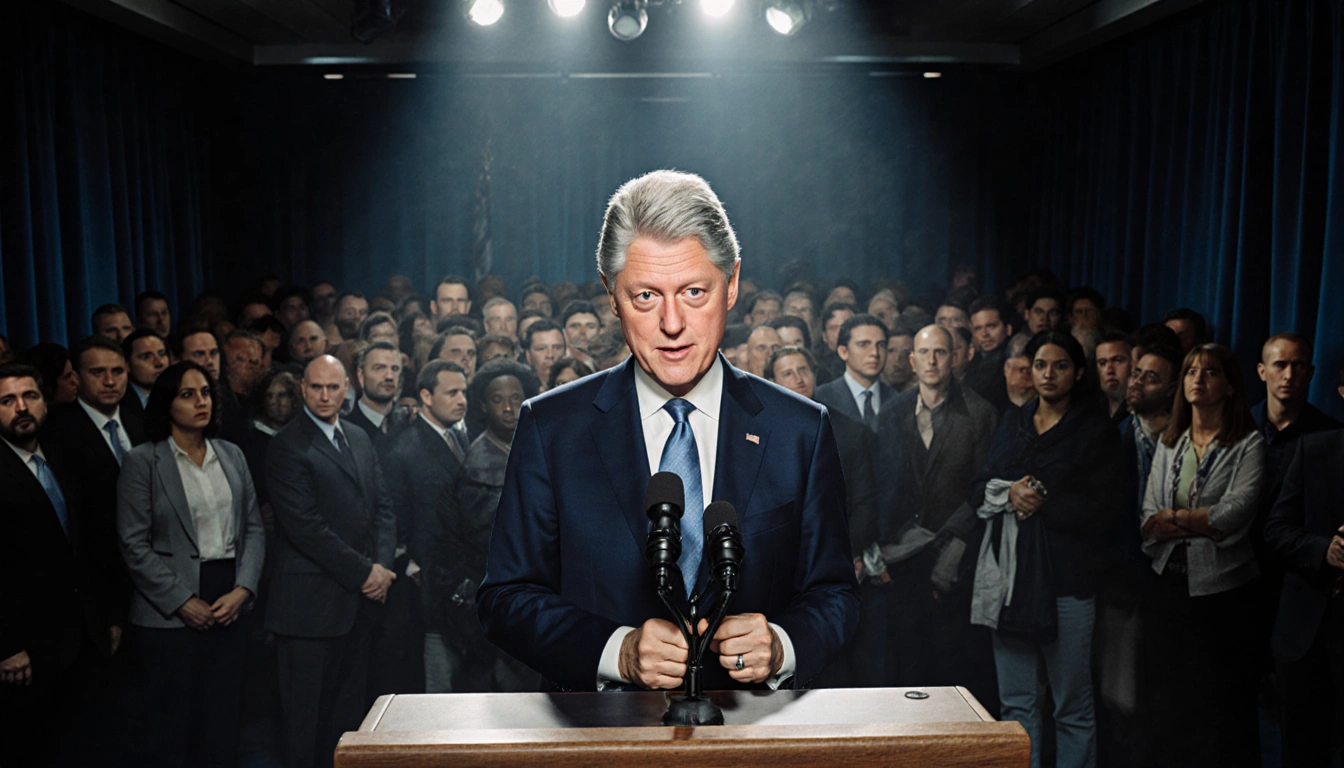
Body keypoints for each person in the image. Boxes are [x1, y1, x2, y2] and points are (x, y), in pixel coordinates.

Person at [477, 170, 859, 693]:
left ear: (733, 284)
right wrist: (617, 651)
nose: (673, 323)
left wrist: (783, 642)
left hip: (753, 741)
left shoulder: (799, 429)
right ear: (612, 296)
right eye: (646, 297)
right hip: (600, 743)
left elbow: (835, 593)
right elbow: (506, 597)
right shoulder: (552, 429)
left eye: (694, 291)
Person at [969, 330, 1127, 768]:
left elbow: (1110, 511)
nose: (1048, 374)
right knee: (1017, 705)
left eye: (1060, 366)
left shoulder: (1095, 430)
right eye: (1040, 365)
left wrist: (1043, 501)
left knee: (1071, 708)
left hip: (1068, 583)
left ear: (1078, 373)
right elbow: (977, 485)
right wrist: (1009, 493)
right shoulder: (1013, 421)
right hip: (1011, 582)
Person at [116, 361, 265, 768]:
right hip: (168, 611)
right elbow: (133, 543)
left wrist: (244, 589)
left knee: (223, 721)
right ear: (167, 404)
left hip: (229, 597)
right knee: (173, 727)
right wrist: (182, 600)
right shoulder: (143, 461)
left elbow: (253, 526)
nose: (200, 401)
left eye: (205, 393)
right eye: (187, 394)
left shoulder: (231, 454)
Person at [264, 355, 397, 768]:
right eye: (316, 387)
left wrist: (383, 567)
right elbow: (306, 529)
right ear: (303, 389)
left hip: (358, 604)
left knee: (346, 719)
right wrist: (366, 572)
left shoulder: (357, 436)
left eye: (333, 387)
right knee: (304, 724)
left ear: (347, 390)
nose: (325, 395)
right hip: (308, 609)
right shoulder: (286, 445)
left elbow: (383, 508)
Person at [1139, 343, 1266, 768]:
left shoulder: (1248, 443)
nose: (1198, 379)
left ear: (1229, 385)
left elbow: (1232, 516)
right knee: (1168, 702)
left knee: (1219, 707)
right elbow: (1148, 519)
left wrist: (1174, 518)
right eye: (1192, 371)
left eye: (1209, 372)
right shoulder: (1169, 441)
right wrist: (1197, 521)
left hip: (1225, 594)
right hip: (1167, 587)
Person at [872, 325, 999, 704]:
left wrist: (949, 542)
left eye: (940, 352)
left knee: (950, 662)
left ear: (955, 357)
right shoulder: (893, 410)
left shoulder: (980, 413)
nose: (931, 361)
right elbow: (884, 482)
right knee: (906, 662)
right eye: (924, 353)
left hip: (954, 553)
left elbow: (983, 487)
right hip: (902, 552)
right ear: (911, 360)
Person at [0, 363, 115, 767]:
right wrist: (7, 646)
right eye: (7, 400)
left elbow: (94, 545)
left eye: (29, 396)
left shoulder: (66, 456)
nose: (21, 408)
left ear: (45, 402)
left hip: (84, 636)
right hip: (27, 650)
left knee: (88, 745)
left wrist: (108, 618)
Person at [436, 359, 544, 692]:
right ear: (483, 405)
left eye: (516, 397)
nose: (509, 407)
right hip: (499, 591)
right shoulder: (479, 461)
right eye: (498, 400)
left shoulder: (530, 443)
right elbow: (486, 536)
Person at [381, 361, 469, 693]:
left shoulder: (463, 438)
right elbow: (395, 517)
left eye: (464, 391)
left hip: (461, 579)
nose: (462, 400)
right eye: (452, 392)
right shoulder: (402, 450)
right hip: (425, 586)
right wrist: (409, 562)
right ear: (425, 396)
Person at [1264, 428, 1344, 767]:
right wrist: (1324, 549)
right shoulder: (1314, 449)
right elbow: (1276, 529)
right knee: (1302, 752)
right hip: (1309, 632)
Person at [813, 313, 894, 432]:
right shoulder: (821, 399)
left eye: (881, 345)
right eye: (863, 344)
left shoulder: (896, 400)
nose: (875, 353)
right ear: (843, 352)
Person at [343, 341, 411, 441]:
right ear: (361, 375)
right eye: (379, 368)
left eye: (395, 369)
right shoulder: (344, 428)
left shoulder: (410, 423)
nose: (389, 376)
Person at [963, 294, 1014, 412]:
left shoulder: (1016, 363)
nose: (984, 334)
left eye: (991, 326)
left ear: (1008, 328)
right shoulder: (972, 365)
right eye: (978, 328)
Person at [122, 329, 170, 421]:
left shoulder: (180, 395)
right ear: (127, 365)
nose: (159, 362)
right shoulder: (120, 403)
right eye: (146, 356)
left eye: (162, 354)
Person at [814, 302, 855, 385]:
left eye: (846, 326)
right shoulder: (815, 366)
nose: (840, 332)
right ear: (824, 336)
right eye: (833, 328)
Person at [1096, 331, 1133, 422]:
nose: (1109, 370)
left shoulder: (1141, 415)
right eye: (1102, 363)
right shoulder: (1091, 412)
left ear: (1133, 364)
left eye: (1118, 361)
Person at [523, 319, 567, 389]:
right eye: (541, 349)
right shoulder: (523, 391)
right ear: (528, 356)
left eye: (557, 347)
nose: (550, 355)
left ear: (565, 352)